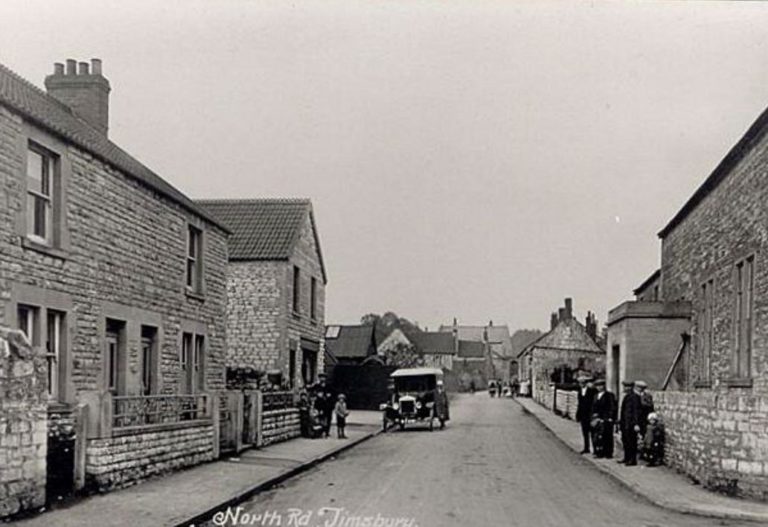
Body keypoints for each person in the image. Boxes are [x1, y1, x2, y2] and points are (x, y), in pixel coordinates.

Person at [591, 379, 616, 458]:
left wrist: (610, 417)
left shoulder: (609, 395)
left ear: (604, 386)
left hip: (606, 418)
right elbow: (593, 407)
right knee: (598, 436)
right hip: (597, 418)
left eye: (601, 386)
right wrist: (593, 416)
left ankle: (608, 453)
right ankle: (599, 452)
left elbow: (612, 407)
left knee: (607, 435)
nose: (599, 387)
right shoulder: (595, 396)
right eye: (597, 386)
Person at [618, 380, 642, 466]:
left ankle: (632, 460)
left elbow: (636, 412)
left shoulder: (635, 397)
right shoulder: (626, 397)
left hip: (631, 424)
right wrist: (620, 423)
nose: (626, 388)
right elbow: (623, 411)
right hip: (625, 423)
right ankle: (626, 457)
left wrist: (636, 423)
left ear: (632, 387)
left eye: (628, 387)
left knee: (632, 442)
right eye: (625, 387)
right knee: (625, 441)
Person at [575, 374, 597, 454]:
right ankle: (586, 448)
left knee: (593, 432)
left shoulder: (591, 391)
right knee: (585, 432)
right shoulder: (580, 391)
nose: (581, 384)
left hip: (590, 414)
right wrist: (578, 414)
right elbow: (579, 404)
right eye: (580, 383)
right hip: (583, 415)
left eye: (583, 382)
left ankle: (595, 449)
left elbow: (594, 402)